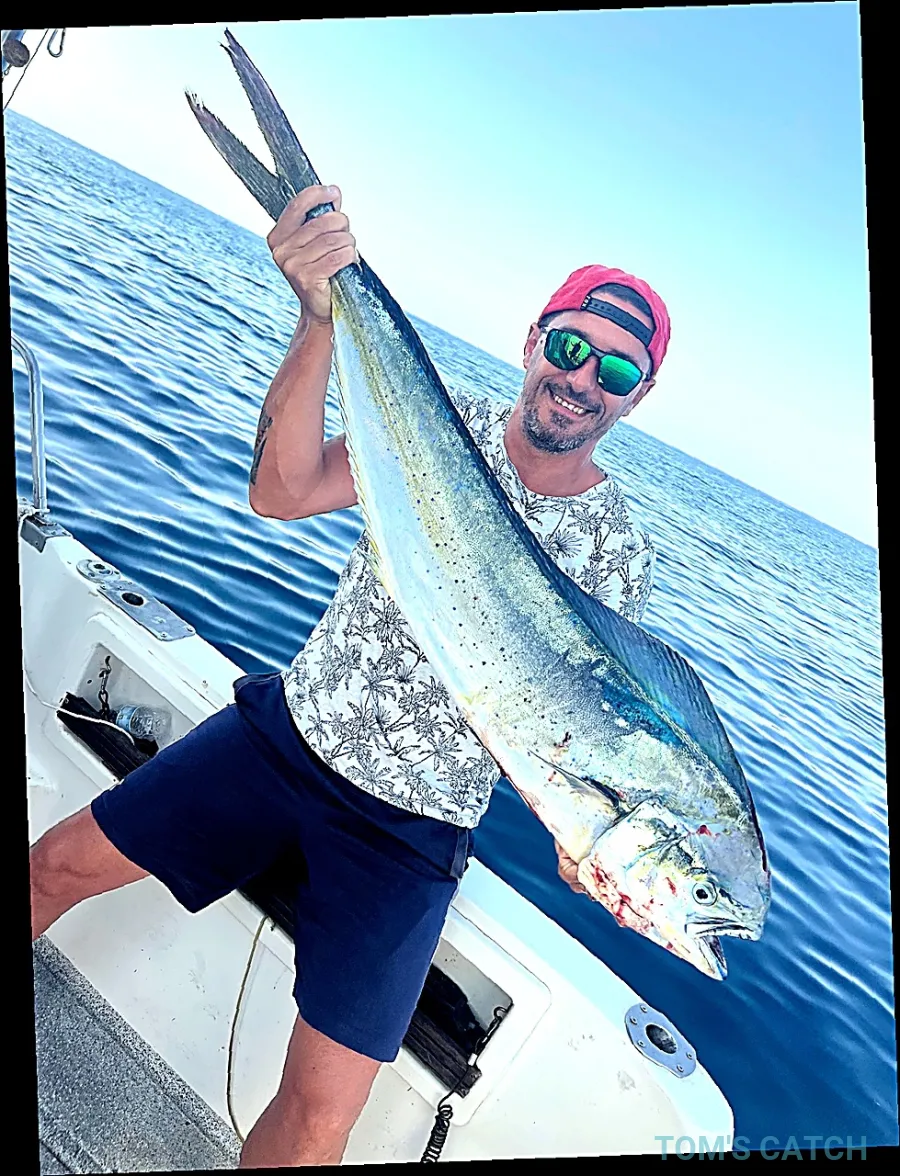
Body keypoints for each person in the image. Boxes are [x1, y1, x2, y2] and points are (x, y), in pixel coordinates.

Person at [28, 183, 671, 1167]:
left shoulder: (619, 554)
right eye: (573, 346)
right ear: (535, 340)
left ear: (637, 396)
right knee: (52, 867)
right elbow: (279, 492)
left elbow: (572, 732)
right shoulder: (438, 425)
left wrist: (592, 846)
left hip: (411, 833)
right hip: (287, 737)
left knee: (322, 1116)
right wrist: (318, 317)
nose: (584, 378)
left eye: (616, 368)